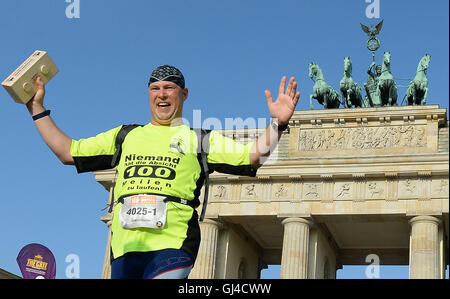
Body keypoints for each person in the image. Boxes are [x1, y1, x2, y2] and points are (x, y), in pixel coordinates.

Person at [26, 65, 300, 279]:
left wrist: (277, 123)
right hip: (125, 248)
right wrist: (36, 108)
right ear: (148, 94)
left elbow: (252, 157)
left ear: (184, 94)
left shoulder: (198, 138)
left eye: (169, 88)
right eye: (155, 88)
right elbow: (67, 151)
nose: (162, 94)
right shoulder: (125, 135)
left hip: (173, 244)